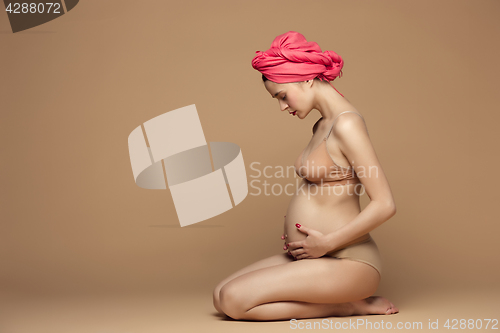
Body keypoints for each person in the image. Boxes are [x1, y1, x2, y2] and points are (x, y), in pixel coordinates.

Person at [212, 31, 398, 321]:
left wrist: (326, 242)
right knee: (220, 295)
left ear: (307, 79)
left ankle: (348, 306)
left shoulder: (347, 124)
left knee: (235, 301)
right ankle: (342, 302)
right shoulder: (321, 126)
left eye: (282, 96)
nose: (282, 106)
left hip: (348, 261)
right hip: (319, 256)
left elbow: (385, 204)